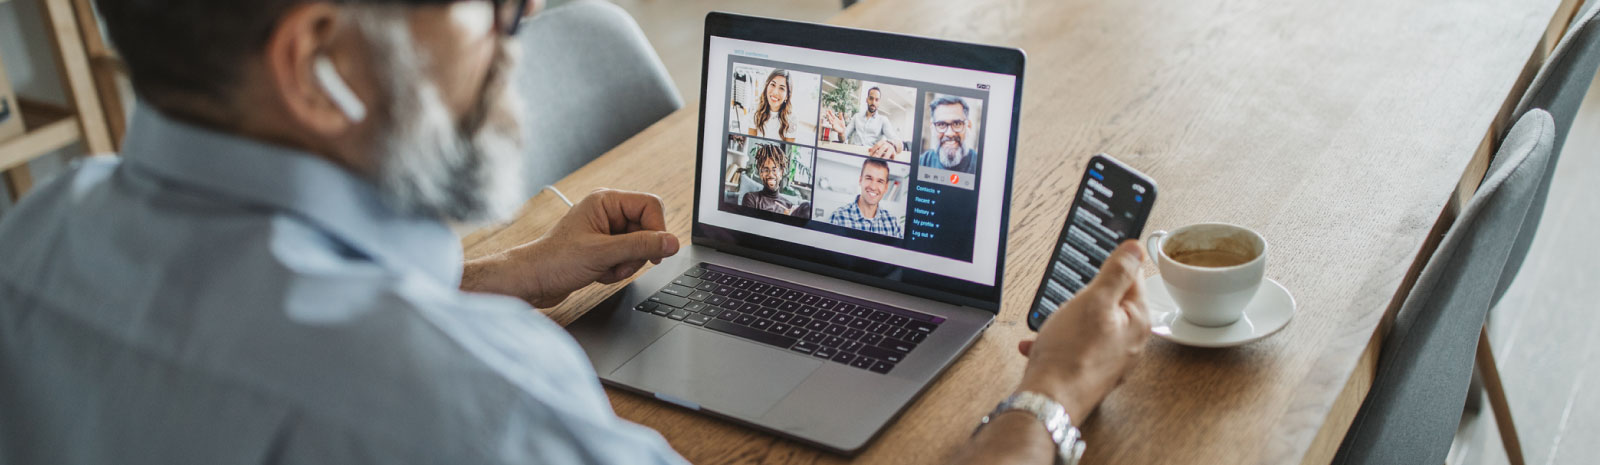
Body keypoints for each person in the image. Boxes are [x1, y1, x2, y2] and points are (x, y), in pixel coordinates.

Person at [0, 1, 1151, 464]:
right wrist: (1046, 400)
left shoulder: (39, 242)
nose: (521, 22)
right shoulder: (485, 413)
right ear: (317, 68)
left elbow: (245, 324)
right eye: (486, 4)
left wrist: (493, 277)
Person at [828, 158, 903, 237]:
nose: (873, 187)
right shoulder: (838, 218)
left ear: (886, 187)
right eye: (869, 178)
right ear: (860, 180)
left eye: (880, 181)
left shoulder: (892, 223)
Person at [823, 86, 901, 158]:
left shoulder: (883, 120)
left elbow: (898, 142)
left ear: (879, 102)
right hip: (852, 155)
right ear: (867, 99)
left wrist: (892, 145)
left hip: (870, 158)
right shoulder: (856, 117)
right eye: (871, 98)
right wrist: (841, 133)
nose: (873, 102)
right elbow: (843, 139)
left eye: (876, 100)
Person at [919, 95, 979, 174]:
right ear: (932, 128)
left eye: (957, 124)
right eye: (941, 124)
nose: (950, 133)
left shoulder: (981, 166)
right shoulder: (922, 163)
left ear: (968, 126)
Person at [739, 143, 799, 215]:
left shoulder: (789, 207)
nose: (770, 174)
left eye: (774, 170)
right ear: (761, 173)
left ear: (781, 173)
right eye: (765, 170)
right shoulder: (751, 199)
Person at [744, 69, 795, 142]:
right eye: (773, 84)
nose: (775, 92)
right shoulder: (755, 110)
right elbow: (751, 144)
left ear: (787, 96)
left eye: (781, 88)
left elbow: (788, 151)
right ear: (767, 86)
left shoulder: (792, 118)